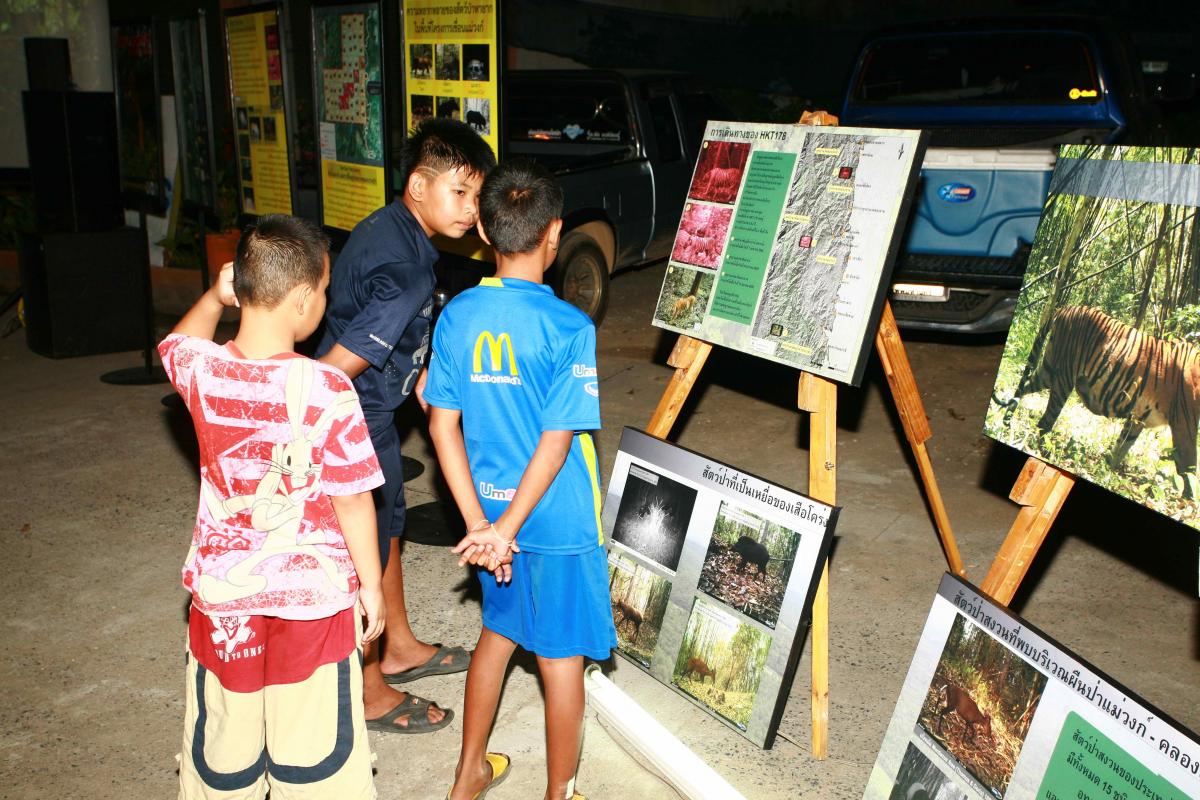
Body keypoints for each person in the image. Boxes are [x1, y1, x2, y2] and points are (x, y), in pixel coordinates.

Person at [159, 215, 386, 799]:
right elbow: (354, 500)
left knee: (224, 752)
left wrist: (215, 294)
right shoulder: (328, 389)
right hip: (311, 603)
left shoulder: (204, 372)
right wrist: (373, 585)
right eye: (327, 290)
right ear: (305, 298)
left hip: (225, 605)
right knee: (315, 756)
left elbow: (175, 345)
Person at [424, 159, 617, 800]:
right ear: (554, 233)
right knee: (561, 661)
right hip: (555, 520)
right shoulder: (568, 326)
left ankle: (467, 774)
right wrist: (507, 530)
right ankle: (559, 794)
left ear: (482, 229)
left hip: (488, 517)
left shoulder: (457, 317)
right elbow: (556, 446)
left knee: (500, 635)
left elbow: (441, 427)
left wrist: (483, 522)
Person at [316, 117, 496, 733]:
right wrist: (292, 406)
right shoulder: (410, 268)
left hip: (376, 410)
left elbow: (383, 332)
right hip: (353, 416)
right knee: (360, 546)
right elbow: (340, 366)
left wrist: (415, 374)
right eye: (461, 193)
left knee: (389, 527)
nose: (473, 210)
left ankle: (396, 647)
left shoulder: (390, 229)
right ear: (419, 185)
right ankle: (368, 686)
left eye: (478, 195)